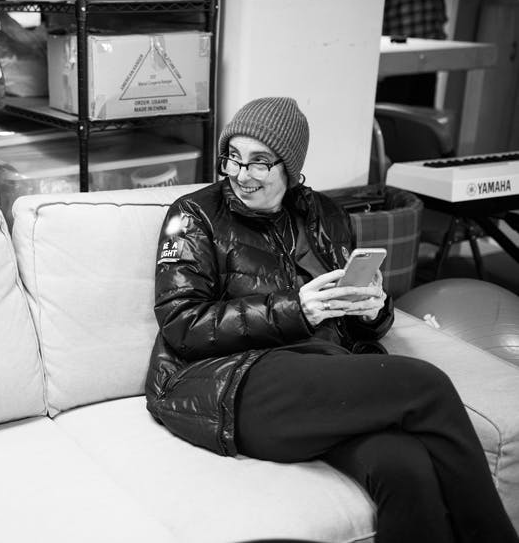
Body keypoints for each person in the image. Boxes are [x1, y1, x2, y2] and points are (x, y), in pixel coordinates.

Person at [145, 97, 519, 543]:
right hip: (231, 380)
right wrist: (295, 309)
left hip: (320, 375)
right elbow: (182, 324)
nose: (242, 174)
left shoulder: (327, 216)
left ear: (290, 166)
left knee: (404, 467)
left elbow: (350, 321)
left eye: (260, 161)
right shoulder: (194, 214)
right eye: (234, 158)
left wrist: (373, 309)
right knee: (426, 384)